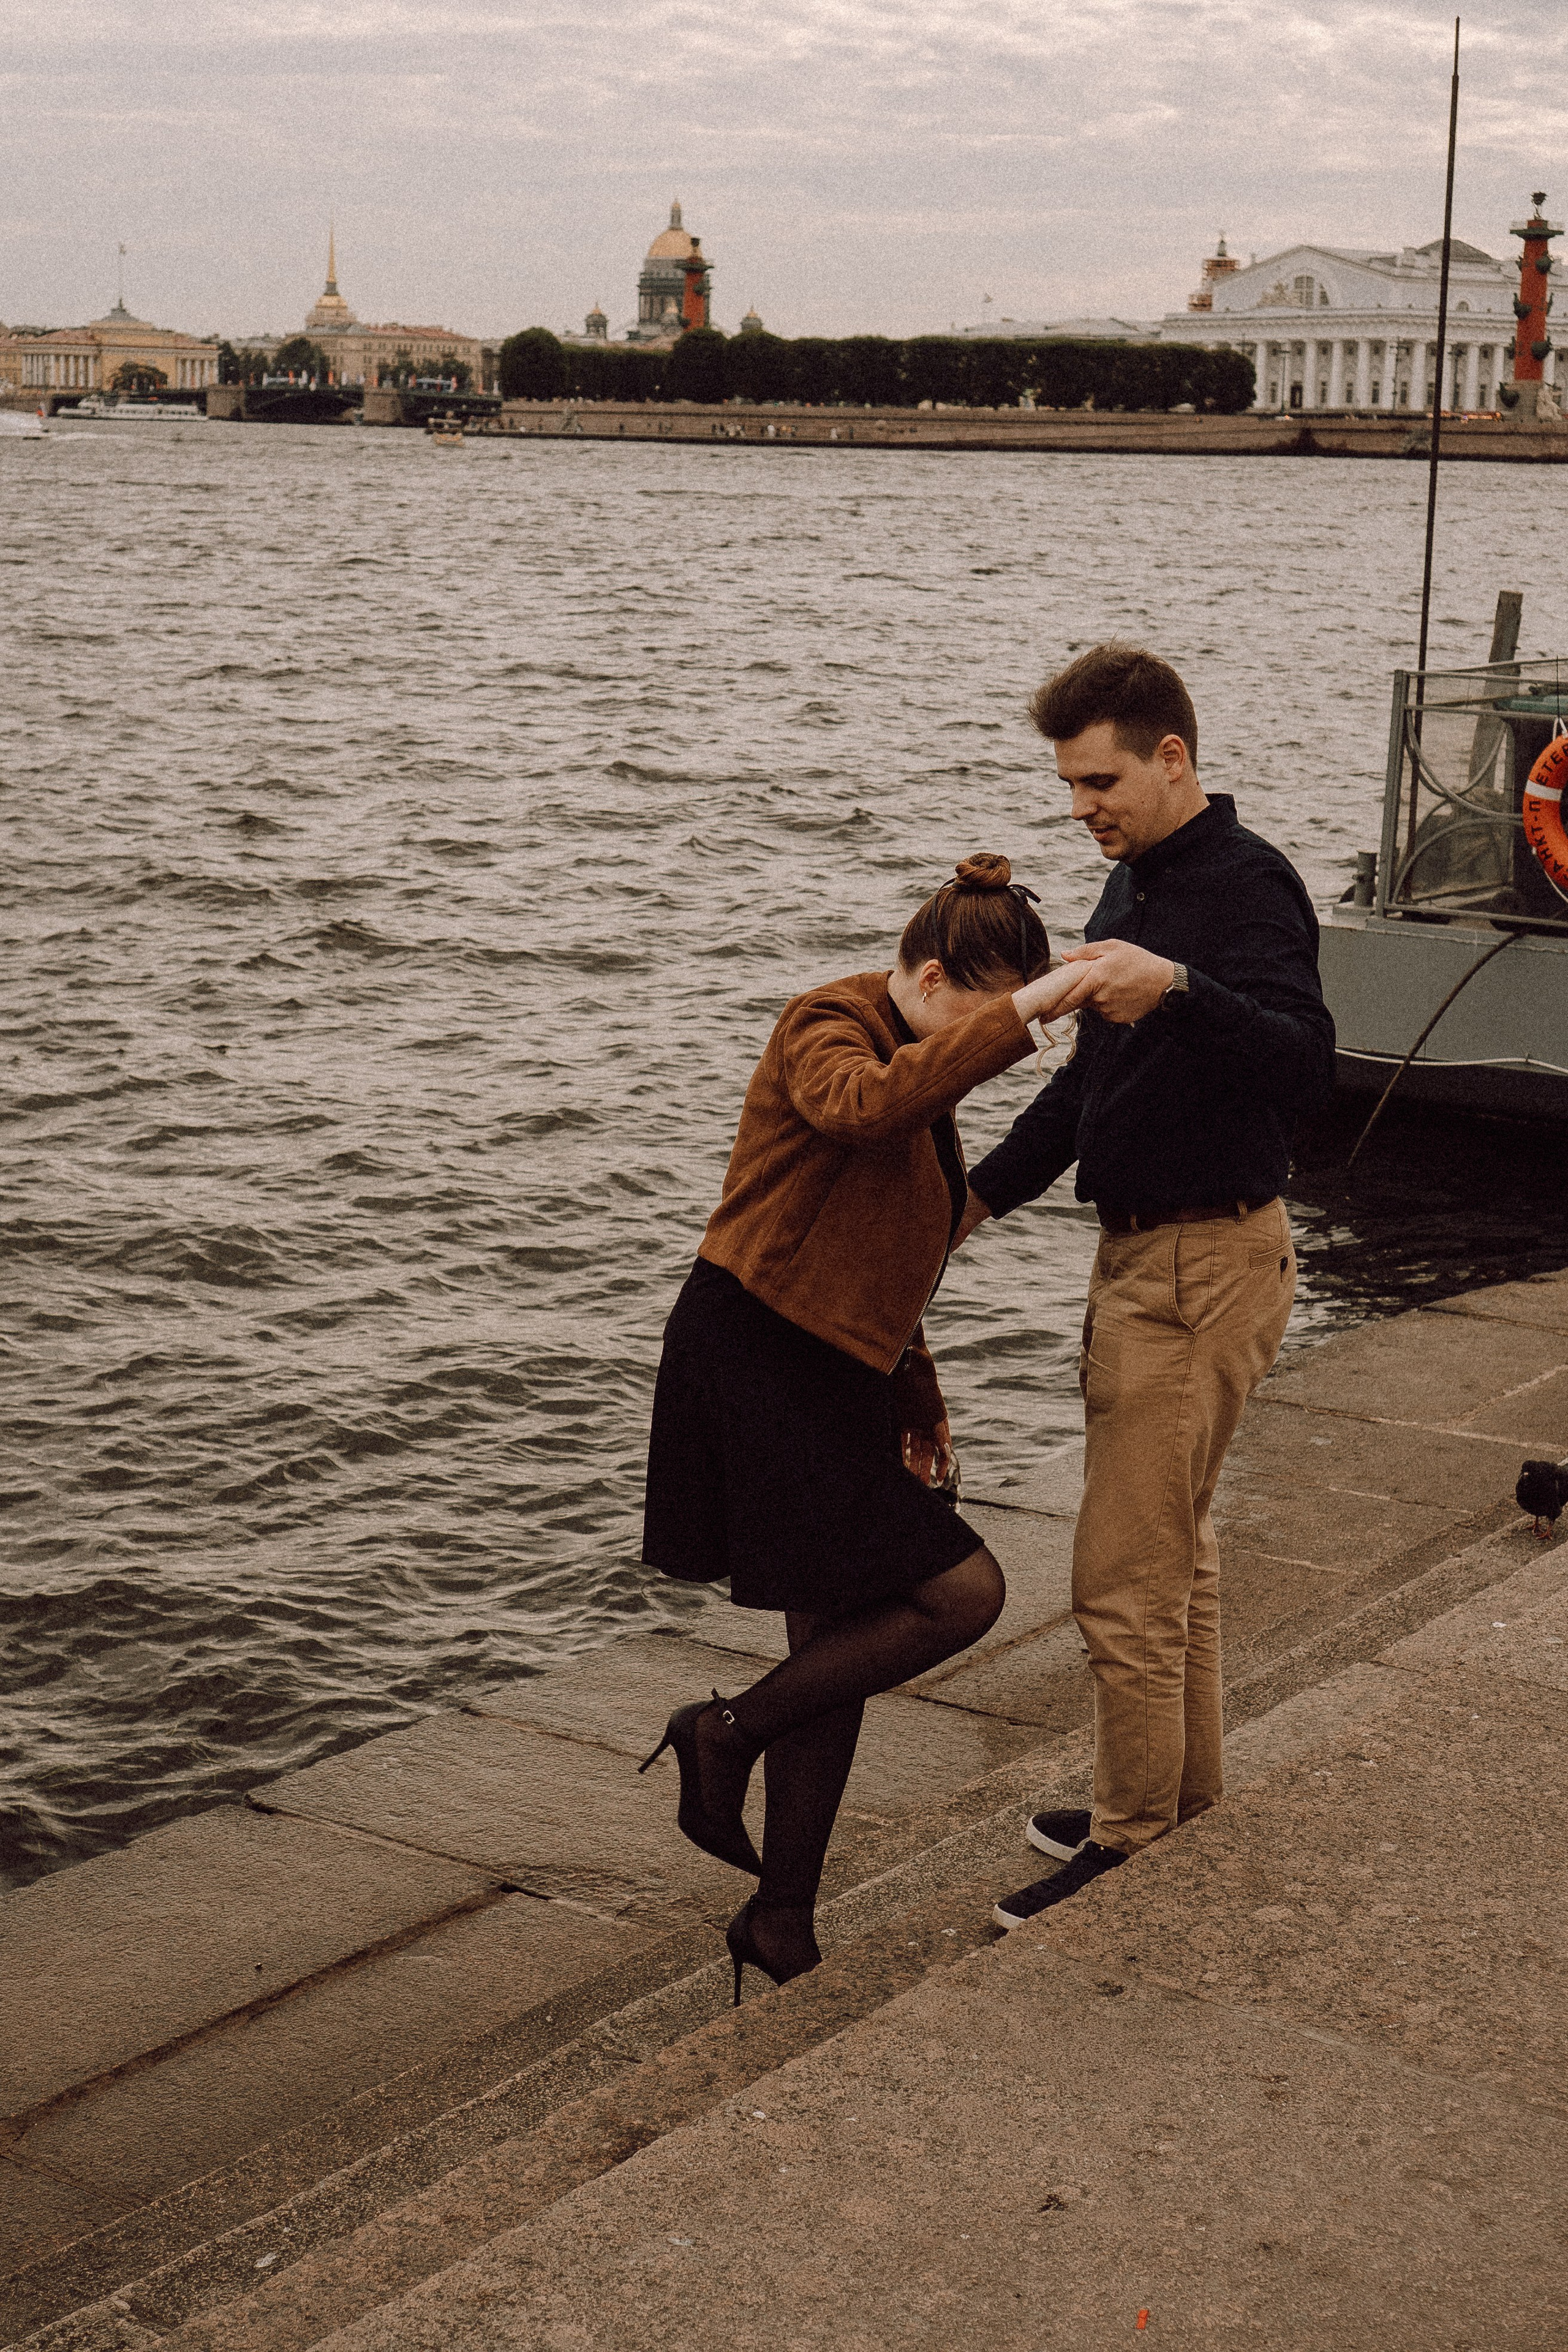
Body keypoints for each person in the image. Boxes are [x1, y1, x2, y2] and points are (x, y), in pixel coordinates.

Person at [641, 855, 1078, 1999]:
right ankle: (722, 1734)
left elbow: (893, 1261)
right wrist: (1029, 1014)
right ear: (930, 981)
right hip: (754, 1356)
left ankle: (782, 1919)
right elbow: (859, 1106)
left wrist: (916, 1403)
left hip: (832, 1373)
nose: (982, 1059)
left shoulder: (925, 1069)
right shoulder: (826, 1024)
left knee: (831, 1651)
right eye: (980, 1021)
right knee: (961, 1594)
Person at [959, 645, 1336, 1929]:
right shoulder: (1134, 879)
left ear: (1171, 757)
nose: (1080, 808)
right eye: (1069, 786)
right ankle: (1177, 1793)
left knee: (1125, 1572)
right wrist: (973, 1200)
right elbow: (1083, 1088)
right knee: (1179, 1554)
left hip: (1201, 1261)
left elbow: (1305, 1064)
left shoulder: (1246, 885)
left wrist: (1173, 988)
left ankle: (1125, 1844)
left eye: (1099, 780)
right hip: (1145, 1250)